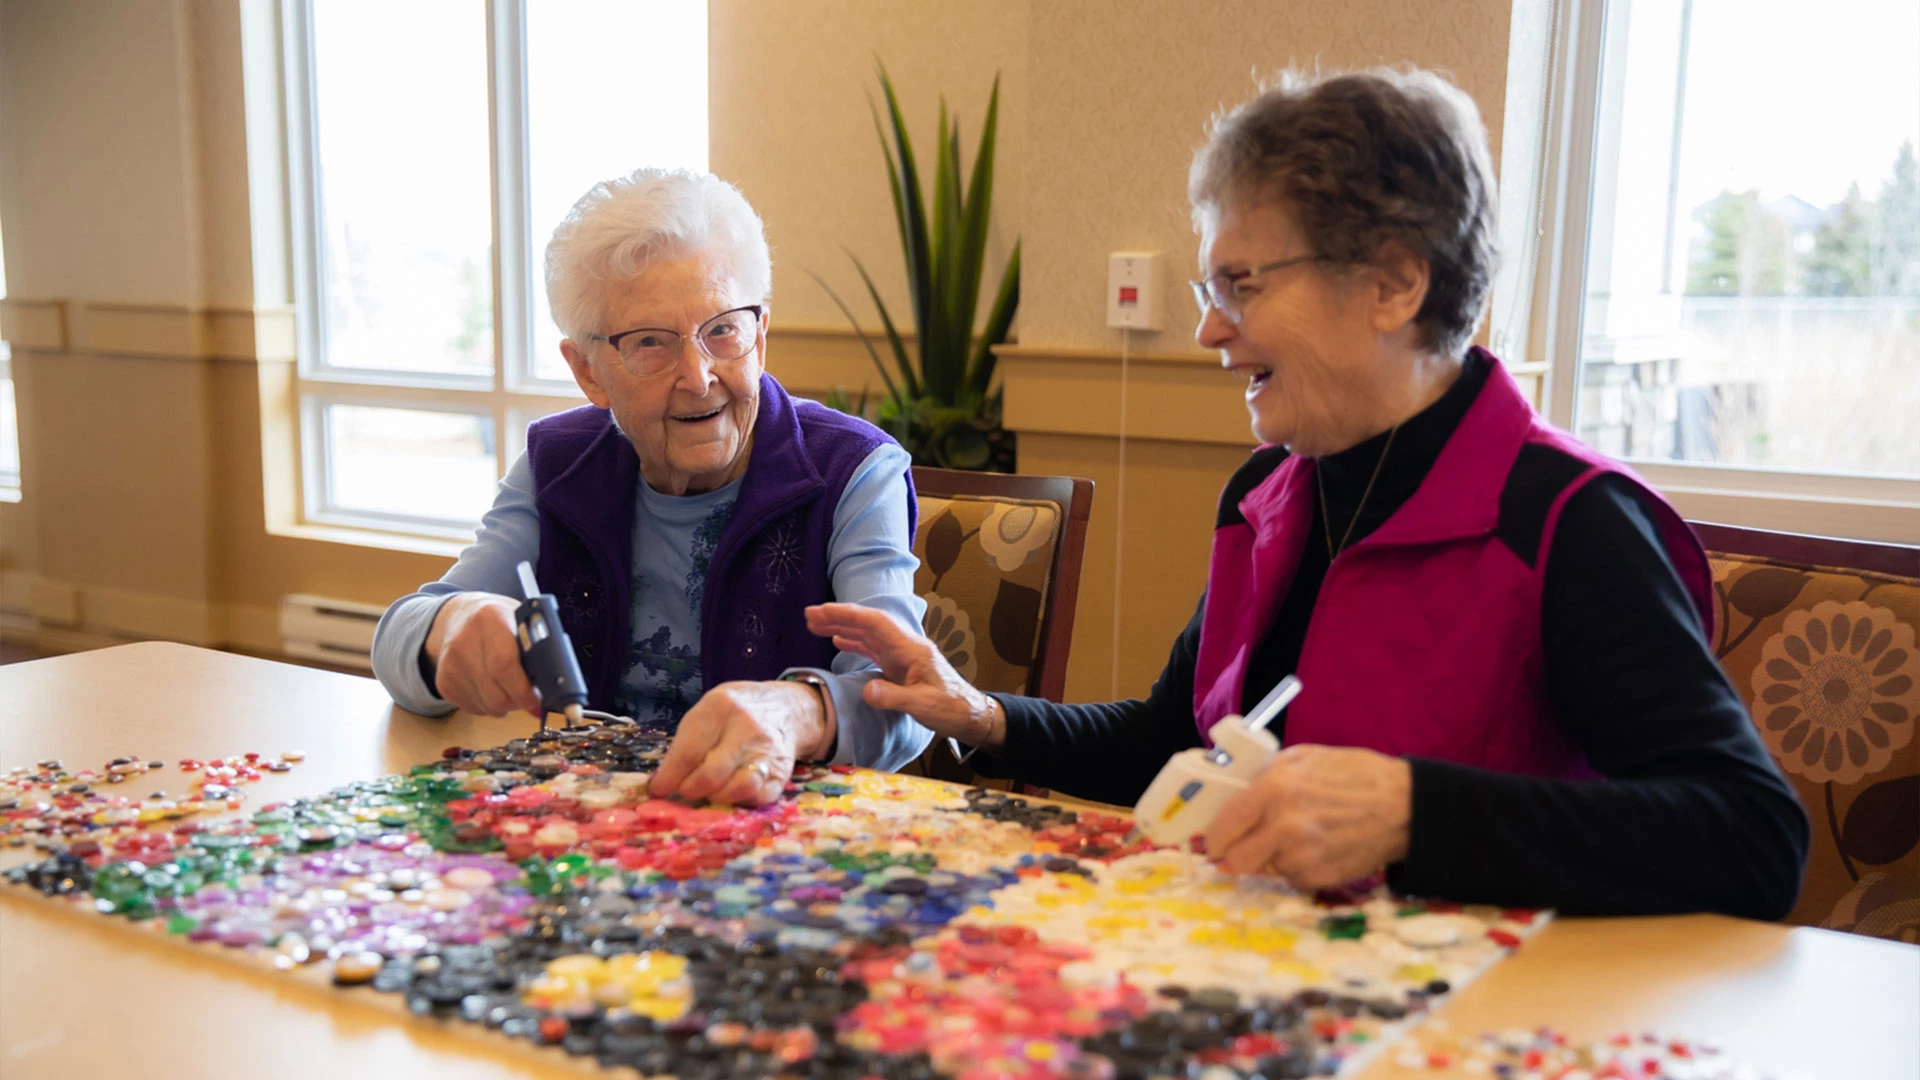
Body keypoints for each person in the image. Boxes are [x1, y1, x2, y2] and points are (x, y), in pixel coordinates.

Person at [808, 69, 1810, 919]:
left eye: (1240, 285)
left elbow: (1753, 838)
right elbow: (1174, 746)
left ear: (1393, 286)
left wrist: (1415, 811)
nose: (1208, 330)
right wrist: (984, 716)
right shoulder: (1269, 493)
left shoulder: (1567, 521)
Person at [371, 168, 932, 804]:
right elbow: (397, 638)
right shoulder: (560, 465)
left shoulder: (852, 471)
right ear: (588, 372)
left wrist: (797, 712)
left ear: (761, 332)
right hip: (590, 835)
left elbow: (903, 697)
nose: (699, 377)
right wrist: (452, 620)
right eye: (649, 344)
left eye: (722, 329)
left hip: (781, 840)